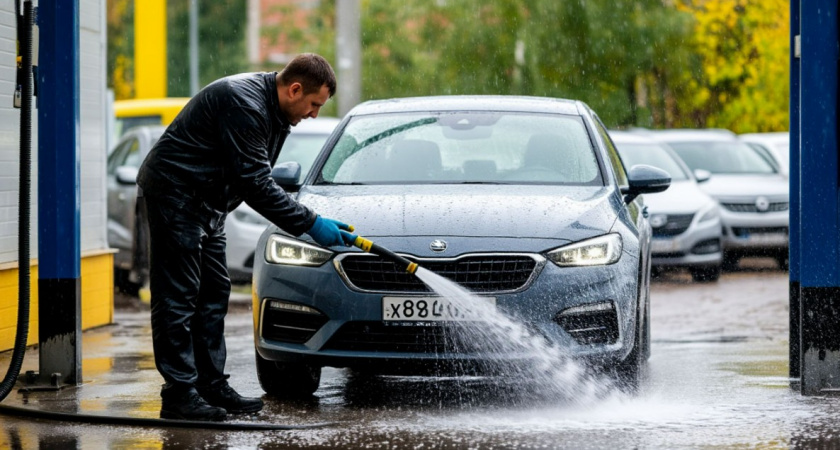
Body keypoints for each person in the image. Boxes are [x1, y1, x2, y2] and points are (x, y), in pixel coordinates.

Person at [136, 53, 355, 421]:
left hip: (209, 202)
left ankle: (210, 385)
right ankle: (179, 395)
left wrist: (309, 220)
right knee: (179, 297)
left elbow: (255, 177)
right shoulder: (244, 103)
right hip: (176, 195)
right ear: (294, 89)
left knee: (213, 295)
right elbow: (255, 183)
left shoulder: (278, 111)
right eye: (314, 104)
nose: (315, 114)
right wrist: (312, 224)